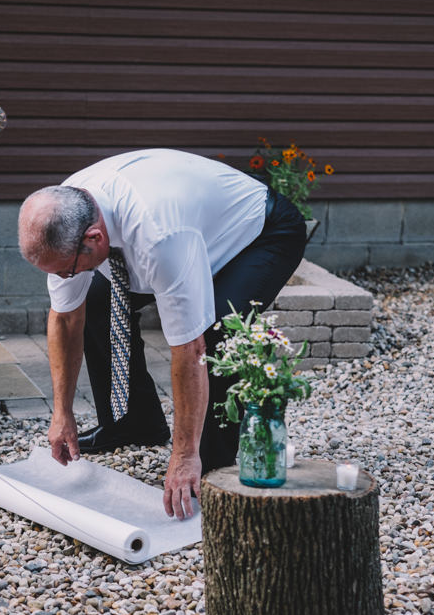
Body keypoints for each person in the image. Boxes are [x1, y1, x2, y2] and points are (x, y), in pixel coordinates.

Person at [17, 148, 306, 521]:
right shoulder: (69, 208)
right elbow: (65, 318)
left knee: (219, 330)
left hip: (258, 235)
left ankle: (211, 462)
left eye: (67, 271)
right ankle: (133, 422)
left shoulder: (159, 235)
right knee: (95, 304)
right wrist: (62, 413)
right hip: (188, 232)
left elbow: (190, 347)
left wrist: (183, 453)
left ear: (94, 238)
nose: (63, 280)